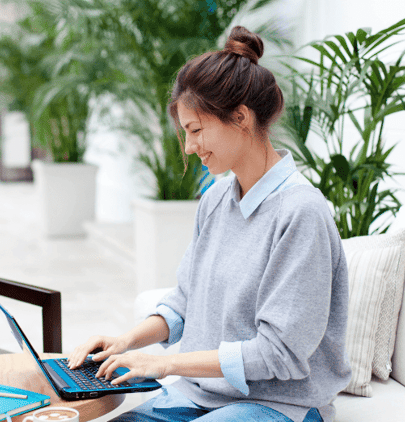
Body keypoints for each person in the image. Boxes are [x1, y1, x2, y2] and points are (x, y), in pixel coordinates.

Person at [67, 26, 352, 422]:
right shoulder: (217, 198)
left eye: (196, 130)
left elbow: (279, 352)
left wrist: (165, 365)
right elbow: (185, 300)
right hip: (199, 398)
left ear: (240, 118)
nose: (188, 147)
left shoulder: (301, 212)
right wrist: (127, 340)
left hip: (278, 405)